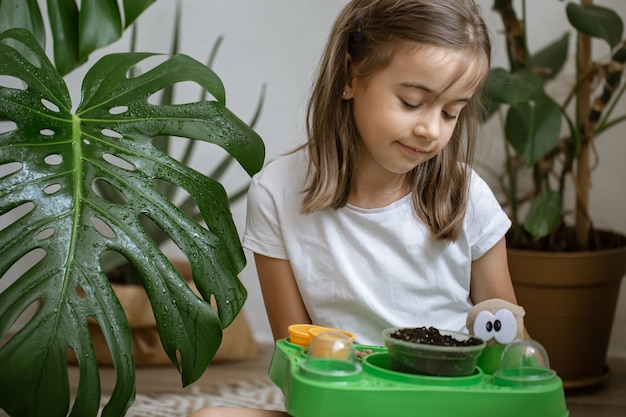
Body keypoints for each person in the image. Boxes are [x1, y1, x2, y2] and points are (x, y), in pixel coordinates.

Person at [191, 0, 525, 415]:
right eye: (411, 102)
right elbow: (295, 354)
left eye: (451, 112)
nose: (431, 130)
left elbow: (507, 342)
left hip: (450, 405)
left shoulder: (466, 194)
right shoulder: (277, 192)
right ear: (351, 75)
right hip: (345, 404)